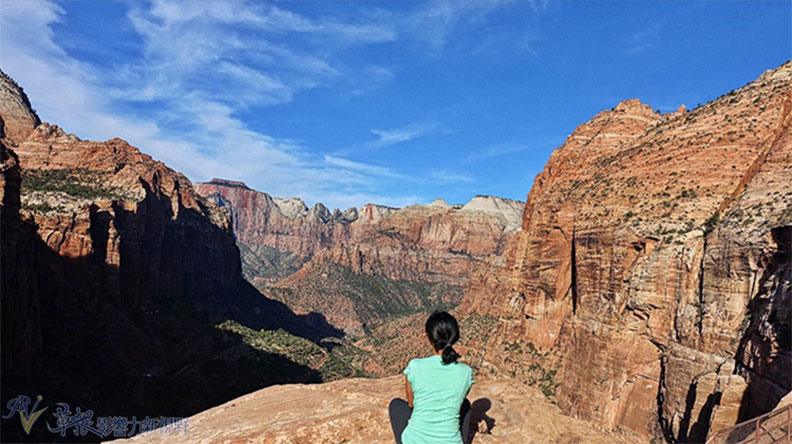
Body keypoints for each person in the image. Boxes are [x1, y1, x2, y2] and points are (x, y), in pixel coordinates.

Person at [388, 311, 474, 444]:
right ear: (455, 336)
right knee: (466, 405)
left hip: (415, 441)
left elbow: (411, 403)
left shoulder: (415, 366)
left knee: (396, 405)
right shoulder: (466, 372)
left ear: (428, 337)